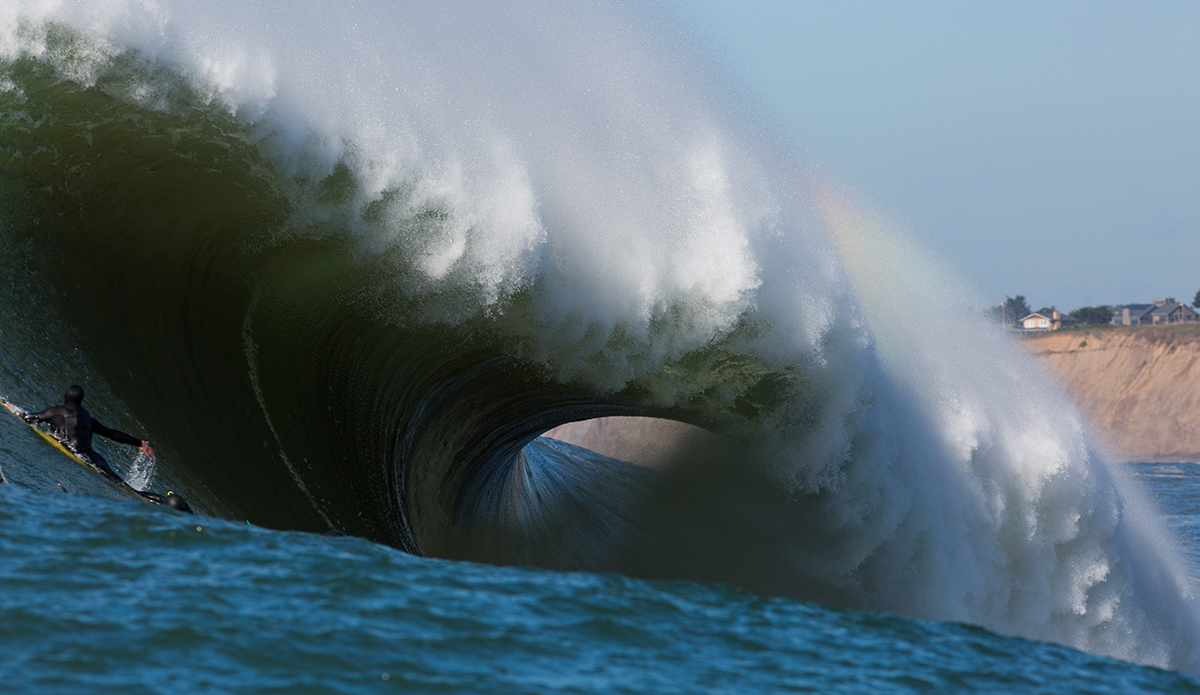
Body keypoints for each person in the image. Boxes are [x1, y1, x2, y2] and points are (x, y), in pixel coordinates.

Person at [21, 385, 154, 488]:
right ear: (81, 400)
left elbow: (31, 418)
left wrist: (15, 409)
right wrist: (139, 443)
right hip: (97, 458)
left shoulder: (57, 411)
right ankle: (162, 499)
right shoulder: (87, 417)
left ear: (65, 396)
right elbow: (111, 433)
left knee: (122, 486)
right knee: (126, 487)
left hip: (82, 456)